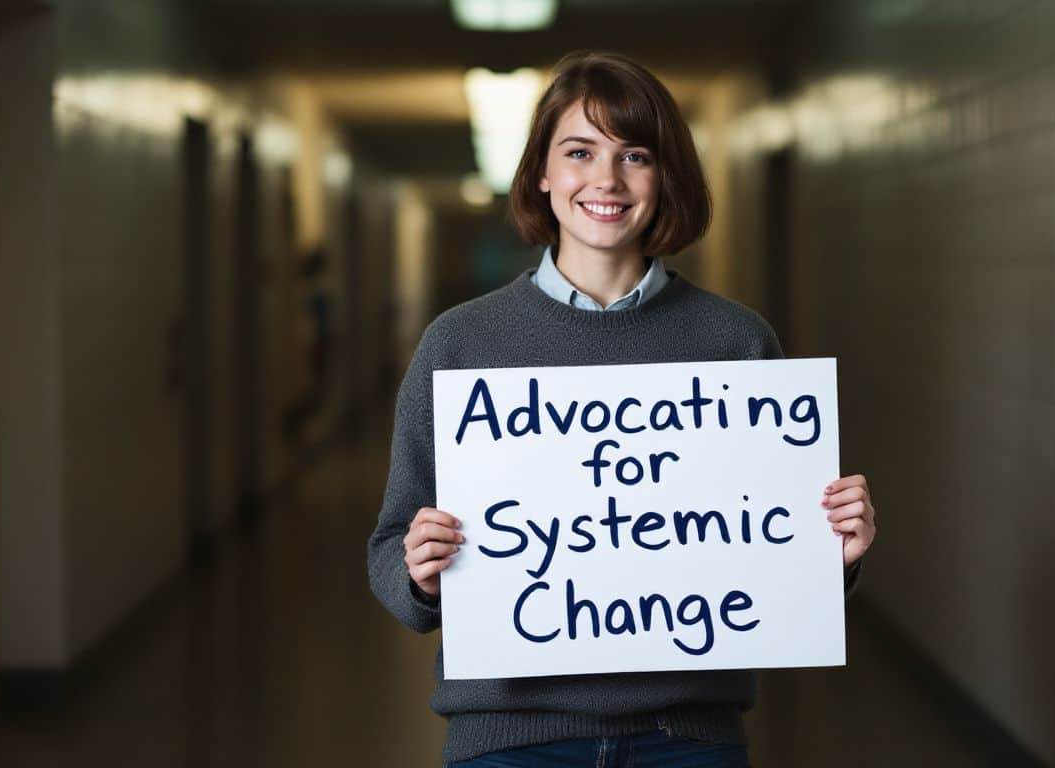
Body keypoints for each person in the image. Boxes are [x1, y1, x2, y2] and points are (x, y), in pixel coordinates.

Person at [366, 51, 878, 768]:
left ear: (665, 177)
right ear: (541, 173)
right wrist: (418, 572)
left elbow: (768, 547)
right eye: (580, 152)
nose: (605, 180)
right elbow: (390, 546)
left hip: (688, 739)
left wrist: (833, 555)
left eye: (635, 155)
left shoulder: (734, 341)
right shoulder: (460, 343)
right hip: (511, 742)